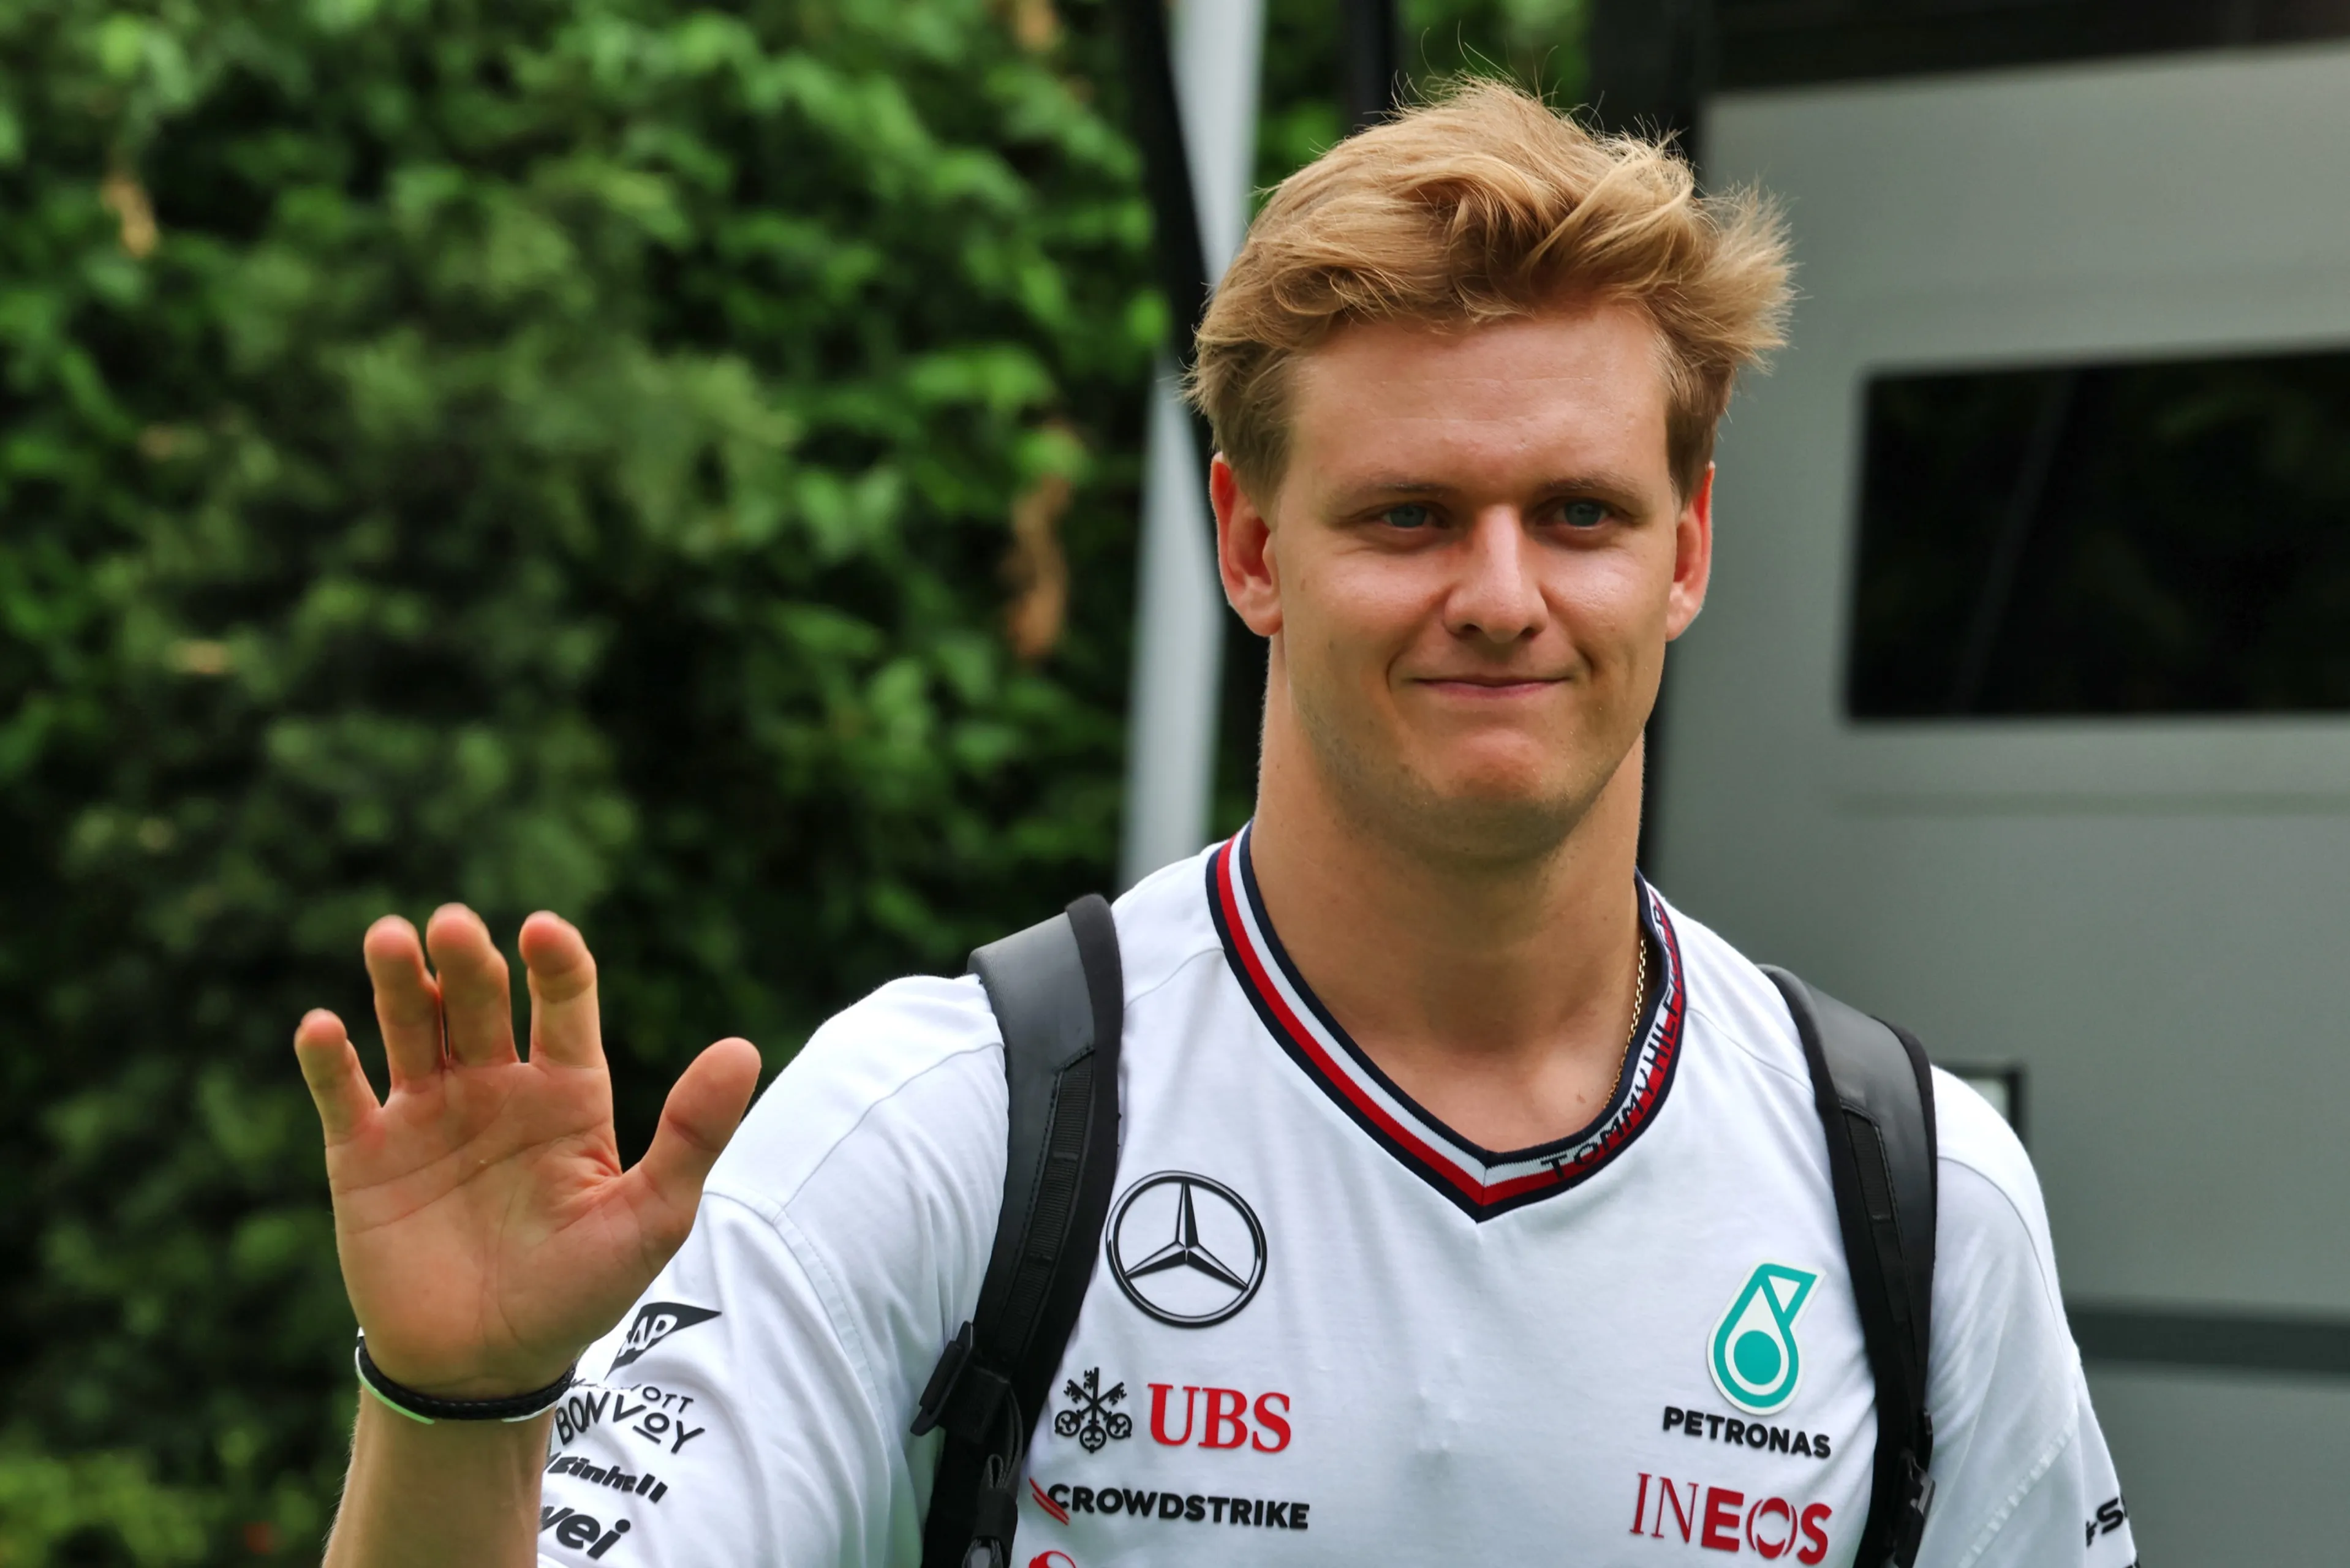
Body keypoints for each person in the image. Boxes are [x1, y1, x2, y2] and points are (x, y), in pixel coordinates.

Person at [292, 81, 2136, 1567]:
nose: (1500, 593)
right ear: (1251, 546)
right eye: (1408, 516)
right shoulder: (946, 1135)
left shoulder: (1917, 1201)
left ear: (1690, 547)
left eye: (1577, 513)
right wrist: (456, 1414)